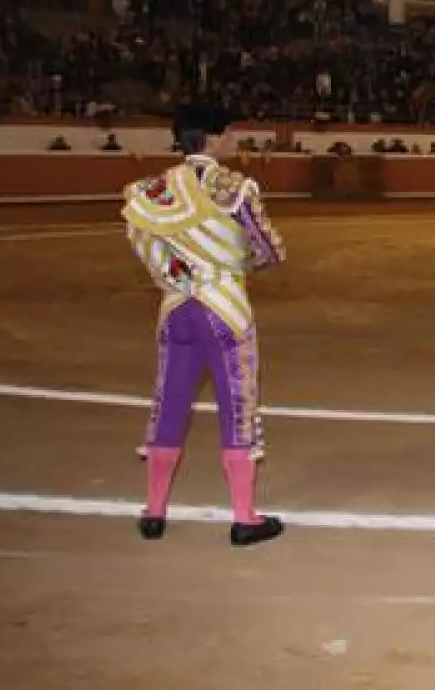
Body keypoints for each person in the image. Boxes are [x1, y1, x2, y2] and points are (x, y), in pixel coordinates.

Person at [121, 103, 287, 546]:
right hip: (225, 306)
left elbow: (142, 241)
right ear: (215, 139)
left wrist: (175, 276)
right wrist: (237, 261)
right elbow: (269, 249)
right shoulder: (234, 186)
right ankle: (244, 517)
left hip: (176, 307)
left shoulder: (152, 189)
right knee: (237, 407)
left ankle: (154, 513)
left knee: (169, 403)